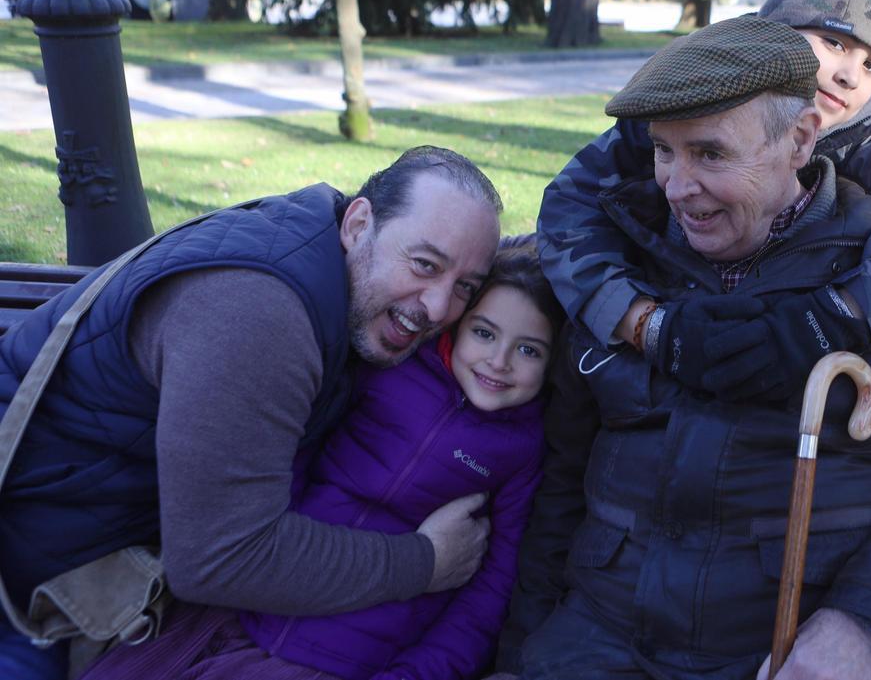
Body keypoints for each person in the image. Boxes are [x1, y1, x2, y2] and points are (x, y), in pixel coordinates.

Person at [493, 16, 871, 680]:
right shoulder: (621, 261)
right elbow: (560, 483)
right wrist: (521, 655)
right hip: (606, 643)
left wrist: (866, 625)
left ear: (800, 138)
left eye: (711, 154)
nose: (677, 186)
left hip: (800, 647)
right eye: (664, 150)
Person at [0, 146, 503, 679]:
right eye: (425, 264)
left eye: (465, 288)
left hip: (104, 561)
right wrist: (424, 562)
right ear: (358, 224)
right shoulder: (260, 317)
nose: (439, 308)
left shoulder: (324, 252)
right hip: (32, 590)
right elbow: (223, 560)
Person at [536, 0, 871, 404]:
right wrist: (638, 319)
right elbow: (568, 203)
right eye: (833, 41)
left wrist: (836, 315)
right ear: (776, 29)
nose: (849, 75)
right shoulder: (696, 96)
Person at [77, 235, 565, 680]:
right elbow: (294, 459)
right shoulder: (391, 370)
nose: (499, 361)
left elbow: (489, 594)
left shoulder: (522, 449)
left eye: (528, 350)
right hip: (249, 608)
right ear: (456, 328)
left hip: (346, 657)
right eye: (484, 333)